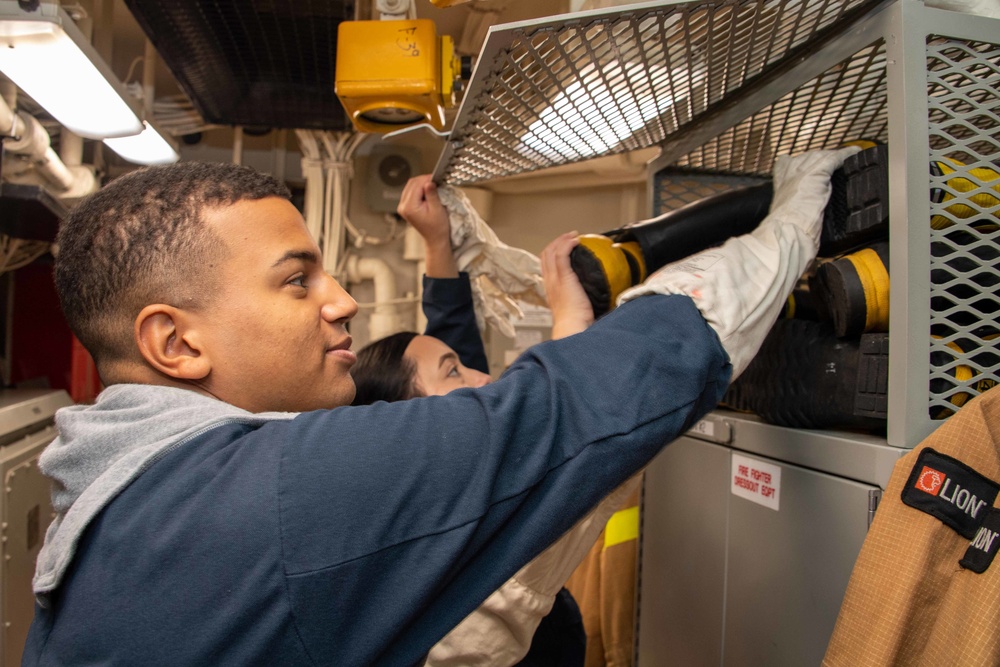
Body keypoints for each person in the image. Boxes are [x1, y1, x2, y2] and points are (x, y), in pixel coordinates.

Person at [26, 148, 854, 665]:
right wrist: (786, 226)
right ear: (175, 344)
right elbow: (569, 408)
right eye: (296, 279)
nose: (344, 300)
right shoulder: (264, 503)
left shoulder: (129, 509)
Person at [351, 175, 603, 666]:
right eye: (455, 372)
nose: (485, 376)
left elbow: (452, 352)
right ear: (410, 422)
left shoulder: (437, 475)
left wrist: (437, 242)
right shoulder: (458, 534)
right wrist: (570, 322)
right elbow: (574, 418)